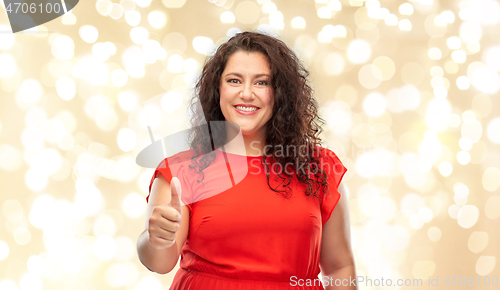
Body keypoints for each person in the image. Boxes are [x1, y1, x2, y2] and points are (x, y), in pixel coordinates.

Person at [136, 31, 357, 289]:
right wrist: (156, 240)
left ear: (280, 93)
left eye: (262, 82)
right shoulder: (183, 169)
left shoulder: (318, 168)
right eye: (234, 80)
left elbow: (340, 267)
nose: (247, 93)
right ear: (217, 88)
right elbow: (159, 262)